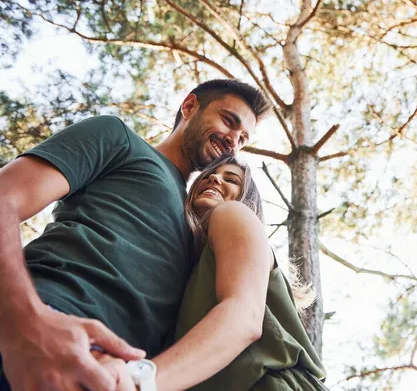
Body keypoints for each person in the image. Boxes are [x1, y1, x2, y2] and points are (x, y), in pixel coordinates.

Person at [0, 79, 271, 390]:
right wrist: (24, 323)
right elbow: (5, 197)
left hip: (115, 375)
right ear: (189, 106)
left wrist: (141, 380)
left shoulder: (199, 222)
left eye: (243, 139)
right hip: (42, 326)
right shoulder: (118, 138)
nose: (232, 142)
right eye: (228, 121)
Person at [153, 154, 328, 390]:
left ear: (246, 199)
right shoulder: (193, 270)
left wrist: (142, 381)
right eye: (208, 175)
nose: (214, 178)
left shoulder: (231, 213)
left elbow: (243, 319)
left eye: (232, 179)